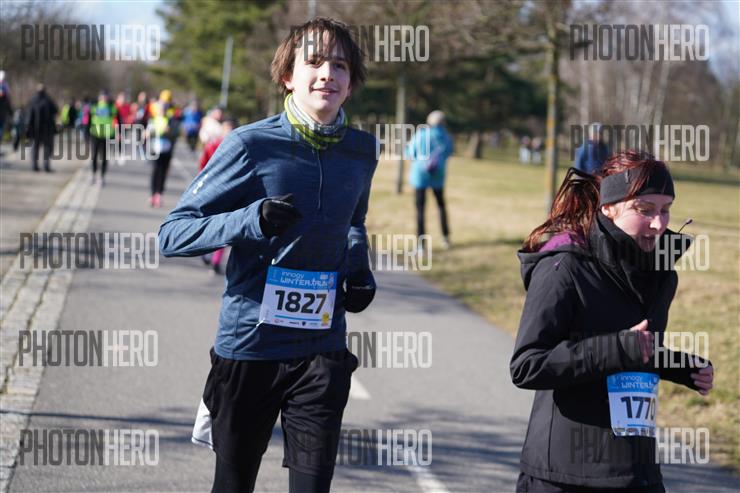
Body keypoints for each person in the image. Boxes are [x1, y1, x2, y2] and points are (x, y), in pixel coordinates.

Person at [159, 17, 377, 493]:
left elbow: (354, 221)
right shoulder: (250, 144)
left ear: (351, 81)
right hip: (251, 347)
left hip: (322, 349)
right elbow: (173, 234)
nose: (327, 73)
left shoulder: (362, 151)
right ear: (288, 76)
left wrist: (359, 267)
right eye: (314, 62)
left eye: (340, 65)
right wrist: (250, 219)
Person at [510, 151, 714, 493]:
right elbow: (527, 365)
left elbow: (638, 348)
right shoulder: (564, 267)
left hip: (636, 471)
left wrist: (681, 367)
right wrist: (618, 347)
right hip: (564, 475)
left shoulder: (661, 274)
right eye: (644, 210)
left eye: (665, 210)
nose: (658, 223)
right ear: (609, 207)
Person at [406, 110, 454, 251]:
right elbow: (449, 153)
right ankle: (445, 238)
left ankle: (421, 244)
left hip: (420, 176)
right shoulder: (446, 137)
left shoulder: (421, 135)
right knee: (441, 206)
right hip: (438, 176)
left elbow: (410, 153)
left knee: (420, 209)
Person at [198, 117, 238, 274]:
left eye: (231, 130)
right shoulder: (212, 145)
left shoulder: (239, 147)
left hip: (230, 191)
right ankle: (206, 251)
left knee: (225, 224)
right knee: (210, 222)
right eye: (226, 129)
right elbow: (203, 166)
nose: (228, 133)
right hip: (212, 190)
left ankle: (216, 260)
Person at [146, 90, 178, 207]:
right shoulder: (153, 120)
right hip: (155, 149)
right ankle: (152, 194)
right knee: (155, 171)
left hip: (166, 150)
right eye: (160, 109)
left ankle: (159, 194)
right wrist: (149, 133)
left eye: (163, 109)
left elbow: (175, 134)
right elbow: (147, 133)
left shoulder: (170, 120)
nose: (162, 111)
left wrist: (169, 132)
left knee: (163, 173)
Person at [24, 83, 58, 172]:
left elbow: (28, 116)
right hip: (47, 130)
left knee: (35, 148)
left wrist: (28, 128)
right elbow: (56, 110)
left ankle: (35, 165)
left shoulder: (33, 100)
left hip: (36, 130)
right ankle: (45, 166)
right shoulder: (48, 100)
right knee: (47, 148)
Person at [89, 90, 117, 185]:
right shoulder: (94, 106)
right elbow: (88, 120)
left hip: (107, 134)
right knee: (94, 156)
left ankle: (102, 176)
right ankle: (93, 174)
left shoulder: (112, 107)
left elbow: (118, 119)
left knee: (105, 157)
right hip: (95, 134)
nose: (104, 98)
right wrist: (87, 133)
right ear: (99, 97)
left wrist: (118, 133)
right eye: (102, 96)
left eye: (105, 96)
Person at [0, 71, 12, 149]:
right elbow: (8, 99)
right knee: (1, 127)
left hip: (3, 111)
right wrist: (10, 111)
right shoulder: (6, 86)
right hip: (3, 111)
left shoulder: (5, 86)